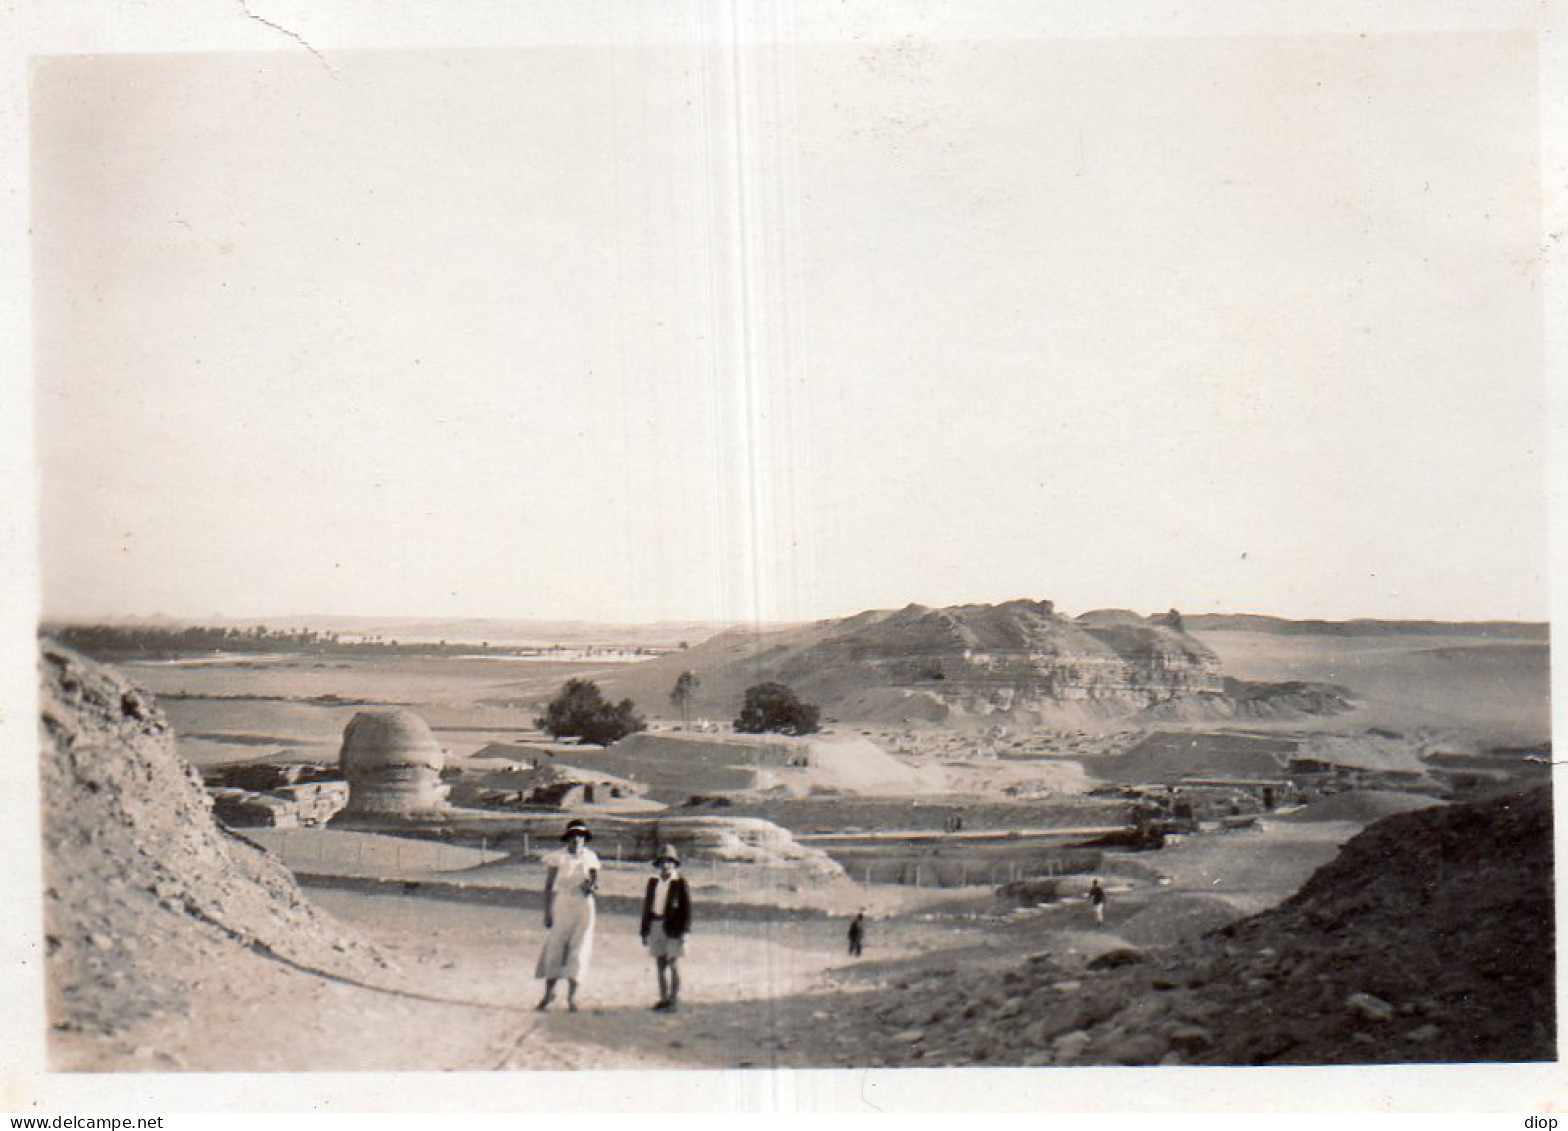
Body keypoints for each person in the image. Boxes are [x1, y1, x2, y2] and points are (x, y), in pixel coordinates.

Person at [535, 818, 599, 1012]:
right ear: (567, 838)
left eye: (580, 836)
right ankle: (549, 994)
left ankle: (572, 998)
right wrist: (547, 912)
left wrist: (591, 887)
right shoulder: (558, 857)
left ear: (584, 839)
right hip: (562, 903)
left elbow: (594, 883)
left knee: (579, 949)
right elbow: (548, 887)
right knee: (555, 946)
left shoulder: (590, 857)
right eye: (573, 836)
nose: (577, 840)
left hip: (583, 905)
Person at [639, 844, 692, 1012]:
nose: (665, 865)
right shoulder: (653, 882)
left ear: (674, 864)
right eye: (662, 861)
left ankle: (674, 1000)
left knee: (673, 963)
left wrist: (685, 931)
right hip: (656, 923)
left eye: (669, 861)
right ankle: (663, 998)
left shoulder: (680, 883)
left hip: (674, 927)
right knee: (660, 964)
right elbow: (648, 906)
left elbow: (687, 909)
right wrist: (644, 930)